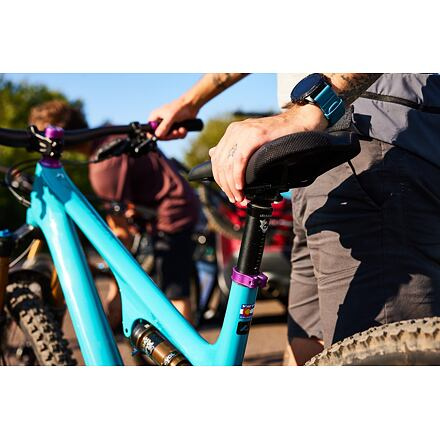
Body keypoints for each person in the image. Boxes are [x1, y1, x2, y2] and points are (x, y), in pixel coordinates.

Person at [150, 73, 440, 365]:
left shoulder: (323, 112)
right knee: (307, 349)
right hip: (314, 159)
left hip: (367, 136)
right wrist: (190, 102)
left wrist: (315, 108)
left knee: (381, 355)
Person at [28, 100, 200, 325]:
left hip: (171, 213)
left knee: (173, 291)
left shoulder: (103, 164)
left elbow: (120, 235)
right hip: (169, 206)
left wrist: (113, 291)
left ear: (58, 133)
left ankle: (184, 345)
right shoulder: (109, 138)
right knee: (164, 284)